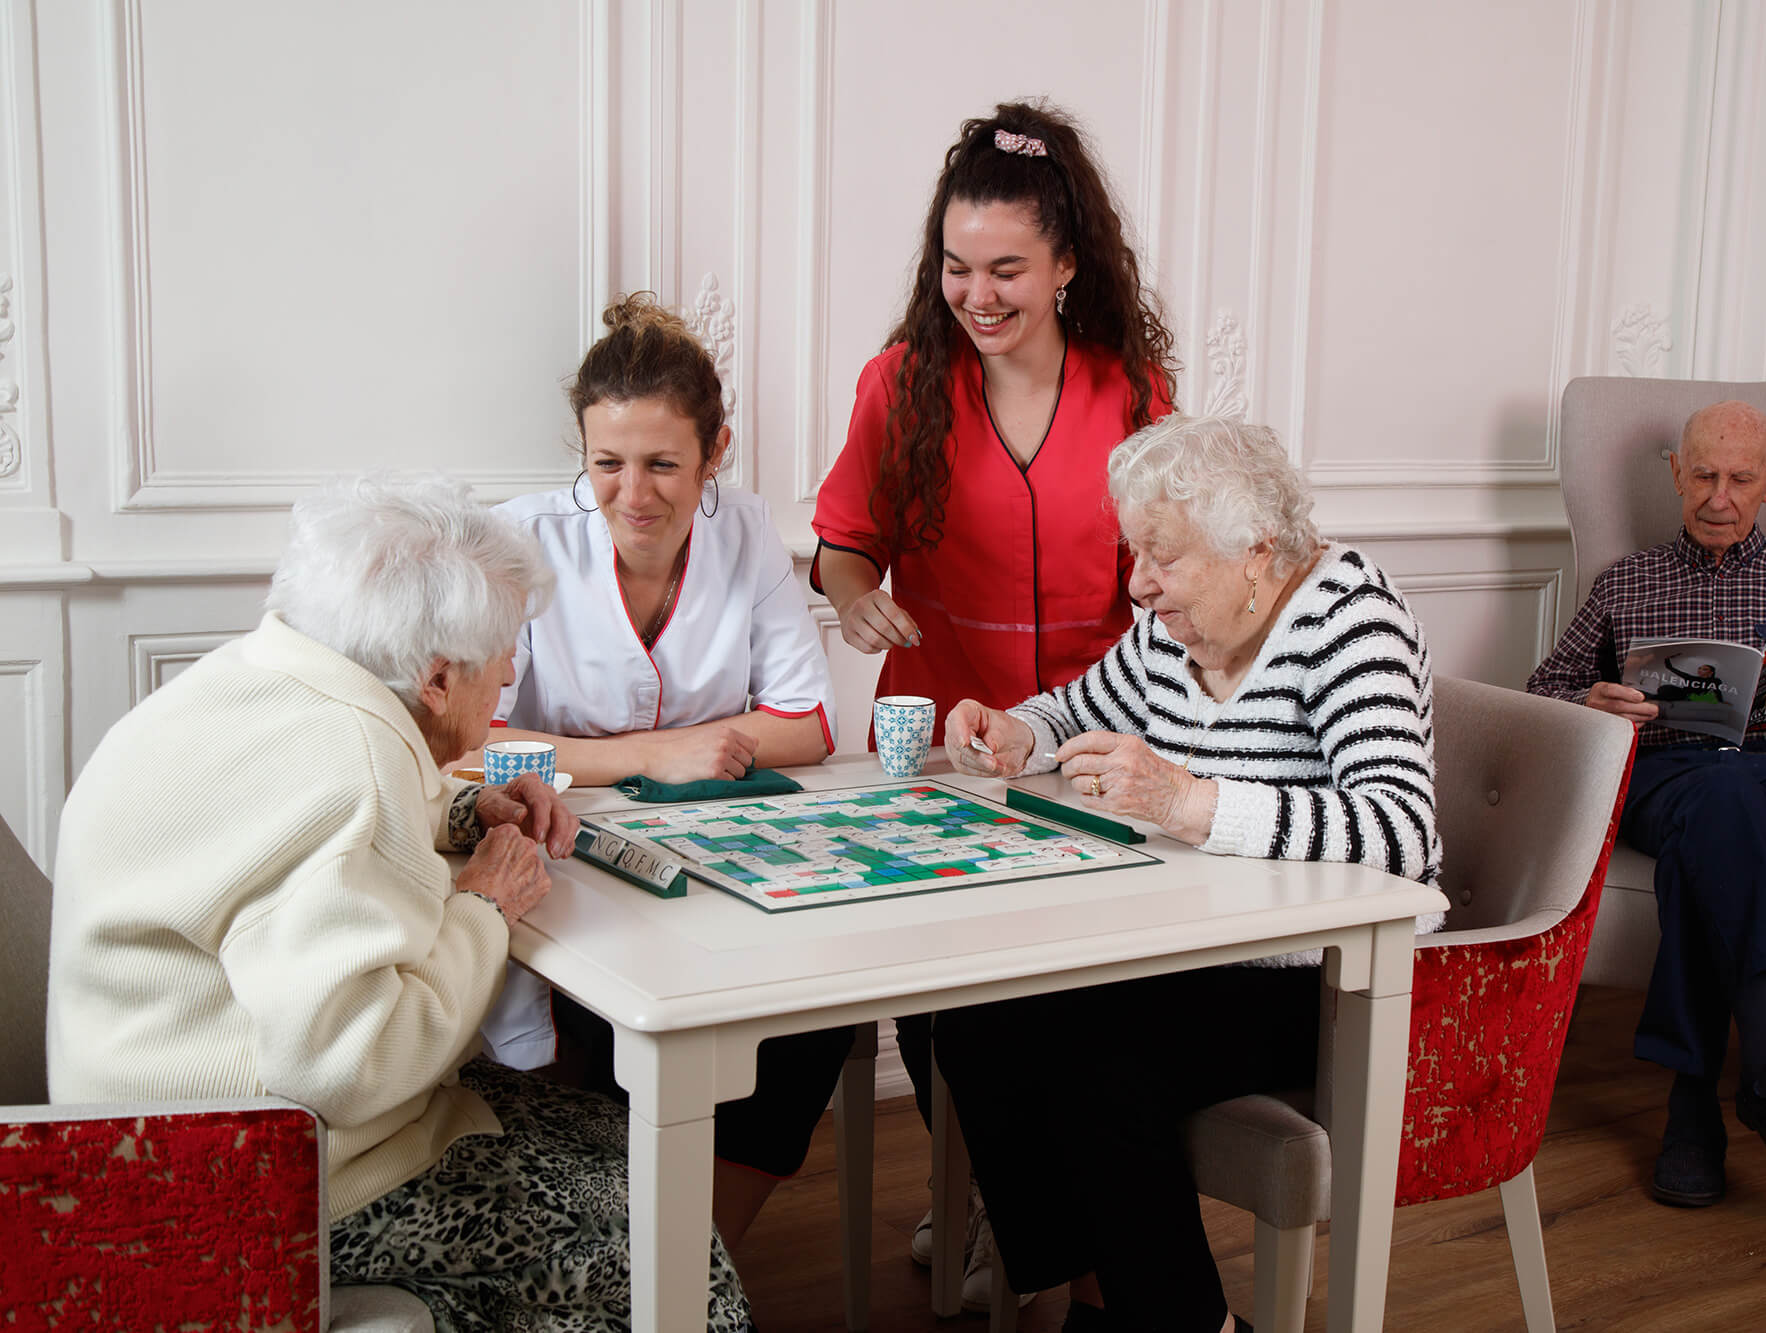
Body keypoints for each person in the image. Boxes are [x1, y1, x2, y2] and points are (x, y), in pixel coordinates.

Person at [44, 474, 752, 1330]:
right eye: (505, 652)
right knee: (671, 1250)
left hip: (138, 1129)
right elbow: (354, 1066)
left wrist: (463, 810)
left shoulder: (277, 678)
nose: (514, 671)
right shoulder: (347, 758)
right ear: (439, 678)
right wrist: (484, 906)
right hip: (240, 1183)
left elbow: (303, 850)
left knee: (627, 1141)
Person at [930, 414, 1443, 1333]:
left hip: (1320, 980)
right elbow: (1079, 704)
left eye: (1160, 557)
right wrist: (1020, 732)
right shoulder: (1176, 627)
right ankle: (1090, 1291)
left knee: (1094, 1048)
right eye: (1135, 552)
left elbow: (1401, 835)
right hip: (1195, 953)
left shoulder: (1348, 619)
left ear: (1256, 550)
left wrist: (1188, 802)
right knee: (973, 1003)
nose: (1138, 583)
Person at [810, 100, 1178, 1300]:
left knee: (1069, 1005)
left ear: (1068, 262)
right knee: (938, 1004)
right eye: (956, 266)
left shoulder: (1134, 397)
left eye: (1007, 268)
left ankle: (1049, 1226)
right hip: (937, 745)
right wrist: (858, 597)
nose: (978, 293)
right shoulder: (898, 384)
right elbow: (841, 547)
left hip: (1086, 744)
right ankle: (978, 1202)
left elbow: (1170, 567)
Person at [477, 293, 852, 1256]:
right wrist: (659, 752)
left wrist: (692, 746)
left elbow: (808, 724)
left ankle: (688, 1268)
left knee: (810, 1019)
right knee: (613, 1029)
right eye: (607, 463)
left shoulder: (748, 530)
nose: (633, 494)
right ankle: (642, 1268)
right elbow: (472, 741)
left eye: (663, 464)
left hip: (717, 856)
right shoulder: (517, 543)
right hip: (559, 863)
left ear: (714, 452)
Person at [1526, 399, 1766, 1209]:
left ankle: (1694, 1111)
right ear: (1675, 473)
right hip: (1669, 779)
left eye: (1740, 479)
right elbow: (1541, 690)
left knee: (1711, 843)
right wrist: (1592, 700)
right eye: (1702, 475)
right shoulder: (1627, 580)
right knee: (1717, 794)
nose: (1718, 497)